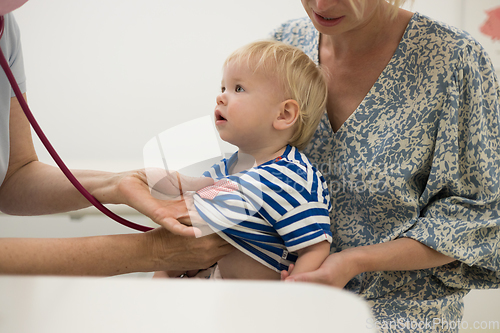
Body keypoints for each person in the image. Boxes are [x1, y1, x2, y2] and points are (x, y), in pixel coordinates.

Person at [272, 0, 500, 331]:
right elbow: (252, 172)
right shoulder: (284, 47)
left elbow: (471, 218)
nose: (321, 4)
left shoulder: (453, 59)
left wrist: (353, 262)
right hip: (289, 304)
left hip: (402, 312)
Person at [0, 2, 231, 275]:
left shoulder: (7, 29)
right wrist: (154, 252)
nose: (223, 97)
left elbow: (12, 177)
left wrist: (116, 184)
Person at [163, 40, 333, 280]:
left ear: (284, 114)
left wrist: (295, 292)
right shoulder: (223, 169)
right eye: (223, 87)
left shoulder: (292, 178)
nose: (220, 97)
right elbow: (193, 223)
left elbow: (316, 247)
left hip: (259, 306)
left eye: (238, 89)